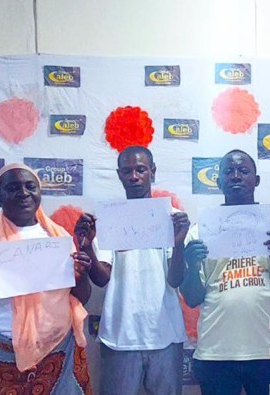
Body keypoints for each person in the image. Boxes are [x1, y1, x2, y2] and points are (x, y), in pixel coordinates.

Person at [0, 164, 93, 394]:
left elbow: (81, 297)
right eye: (13, 188)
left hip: (59, 353)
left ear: (39, 193)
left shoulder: (58, 237)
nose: (23, 193)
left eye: (30, 186)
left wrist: (81, 275)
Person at [179, 150, 270, 395]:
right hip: (215, 353)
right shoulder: (201, 231)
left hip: (267, 351)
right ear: (218, 181)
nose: (236, 176)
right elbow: (192, 299)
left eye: (243, 171)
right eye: (228, 171)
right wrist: (191, 265)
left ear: (256, 180)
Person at [80, 146, 190, 395]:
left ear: (153, 171)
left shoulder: (172, 218)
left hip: (165, 334)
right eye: (127, 171)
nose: (134, 176)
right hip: (120, 335)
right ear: (119, 175)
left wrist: (179, 242)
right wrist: (87, 248)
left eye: (140, 169)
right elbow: (102, 278)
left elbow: (176, 280)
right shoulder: (109, 219)